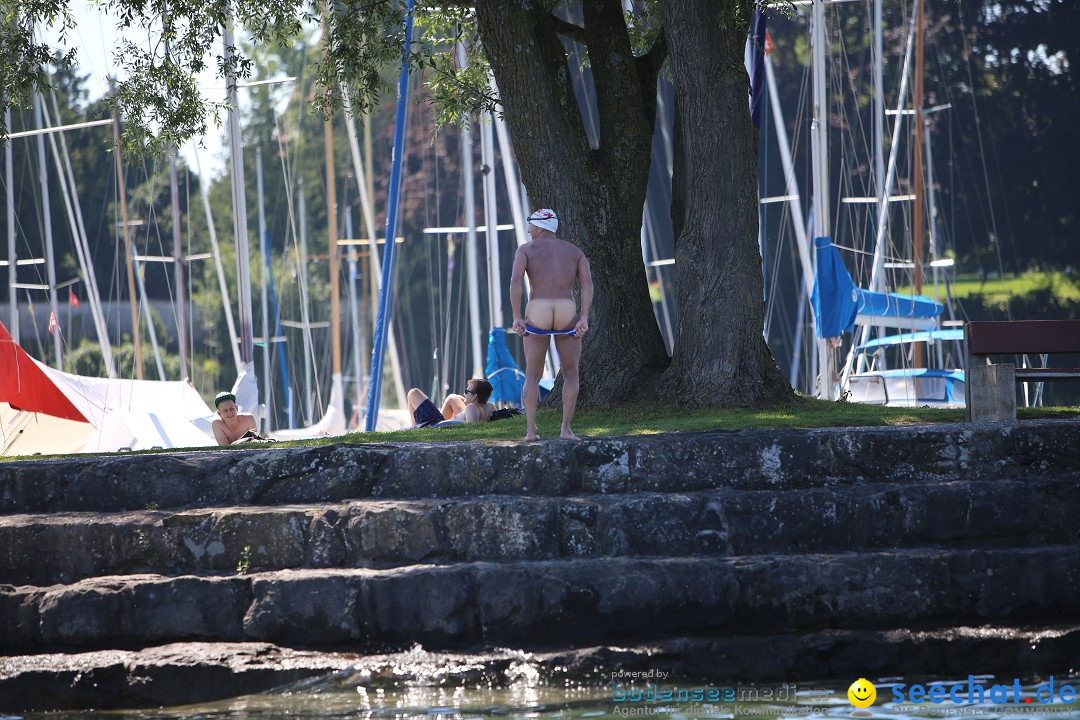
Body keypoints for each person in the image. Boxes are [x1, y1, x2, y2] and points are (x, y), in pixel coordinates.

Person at [510, 208, 593, 442]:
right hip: (566, 310)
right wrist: (584, 316)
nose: (528, 229)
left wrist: (517, 316)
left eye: (531, 225)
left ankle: (530, 431)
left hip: (538, 310)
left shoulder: (526, 250)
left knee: (532, 375)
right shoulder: (574, 251)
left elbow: (515, 282)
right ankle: (566, 430)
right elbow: (587, 284)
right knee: (571, 374)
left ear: (541, 226)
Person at [407, 378, 495, 427]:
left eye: (466, 391)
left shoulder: (471, 407)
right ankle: (415, 428)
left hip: (432, 425)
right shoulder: (489, 407)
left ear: (474, 396)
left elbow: (472, 430)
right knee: (452, 397)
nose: (464, 394)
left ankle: (415, 428)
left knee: (413, 393)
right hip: (441, 423)